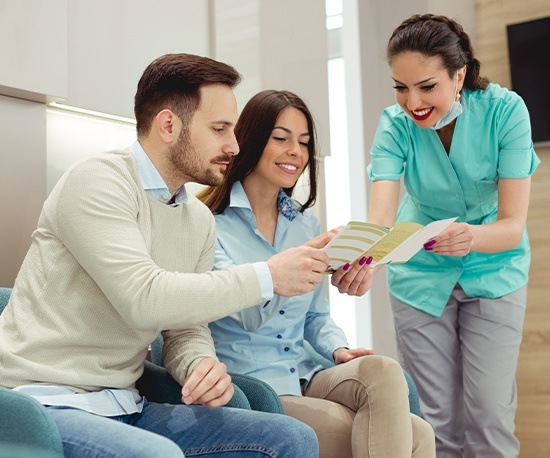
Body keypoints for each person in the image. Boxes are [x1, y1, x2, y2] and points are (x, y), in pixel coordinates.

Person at [0, 52, 376, 457]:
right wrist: (267, 275)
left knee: (292, 438)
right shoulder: (97, 182)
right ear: (168, 125)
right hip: (45, 403)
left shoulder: (197, 218)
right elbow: (144, 298)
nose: (233, 145)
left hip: (126, 403)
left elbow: (184, 329)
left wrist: (198, 365)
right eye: (219, 129)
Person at [199, 89, 436, 458]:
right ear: (251, 140)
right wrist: (295, 262)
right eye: (281, 138)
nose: (296, 150)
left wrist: (338, 349)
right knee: (416, 435)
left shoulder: (305, 222)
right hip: (254, 384)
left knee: (385, 371)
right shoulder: (209, 225)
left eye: (304, 142)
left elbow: (315, 316)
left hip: (306, 371)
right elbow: (246, 311)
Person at [367, 14, 540, 457]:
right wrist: (361, 253)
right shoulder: (394, 125)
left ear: (458, 74)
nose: (412, 102)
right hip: (420, 274)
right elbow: (381, 218)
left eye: (427, 87)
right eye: (401, 88)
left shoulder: (505, 112)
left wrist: (470, 238)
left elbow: (511, 226)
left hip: (494, 268)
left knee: (489, 417)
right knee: (433, 423)